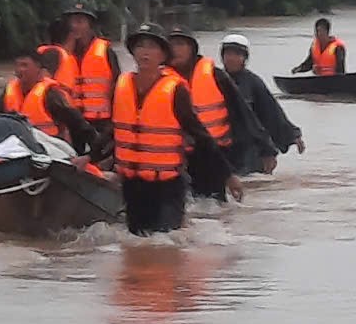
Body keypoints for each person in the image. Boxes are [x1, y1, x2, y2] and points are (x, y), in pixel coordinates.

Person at [106, 22, 242, 235]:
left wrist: (228, 174)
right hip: (133, 185)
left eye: (152, 47)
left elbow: (201, 136)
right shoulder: (122, 85)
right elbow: (112, 130)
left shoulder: (175, 90)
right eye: (140, 46)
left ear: (162, 55)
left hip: (168, 185)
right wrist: (89, 157)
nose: (145, 52)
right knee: (138, 245)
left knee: (166, 245)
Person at [165, 25, 277, 199]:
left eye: (180, 44)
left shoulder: (216, 77)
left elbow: (244, 113)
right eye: (171, 44)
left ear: (192, 48)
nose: (175, 50)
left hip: (212, 156)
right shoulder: (158, 79)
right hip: (171, 158)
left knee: (212, 208)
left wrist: (266, 149)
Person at [0, 48, 98, 155]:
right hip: (19, 151)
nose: (20, 70)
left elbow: (78, 124)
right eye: (17, 65)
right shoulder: (8, 91)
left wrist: (89, 154)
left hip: (50, 151)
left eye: (25, 65)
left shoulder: (50, 94)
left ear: (38, 67)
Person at [220, 34, 305, 171]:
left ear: (244, 58)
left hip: (250, 149)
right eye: (228, 54)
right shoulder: (214, 81)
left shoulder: (253, 83)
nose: (232, 58)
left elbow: (272, 112)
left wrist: (292, 135)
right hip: (224, 148)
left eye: (237, 54)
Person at [51, 3, 120, 140]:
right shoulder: (60, 54)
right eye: (71, 22)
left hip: (101, 121)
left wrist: (113, 123)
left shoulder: (105, 50)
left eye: (80, 22)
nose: (74, 26)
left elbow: (117, 87)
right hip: (72, 121)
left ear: (90, 25)